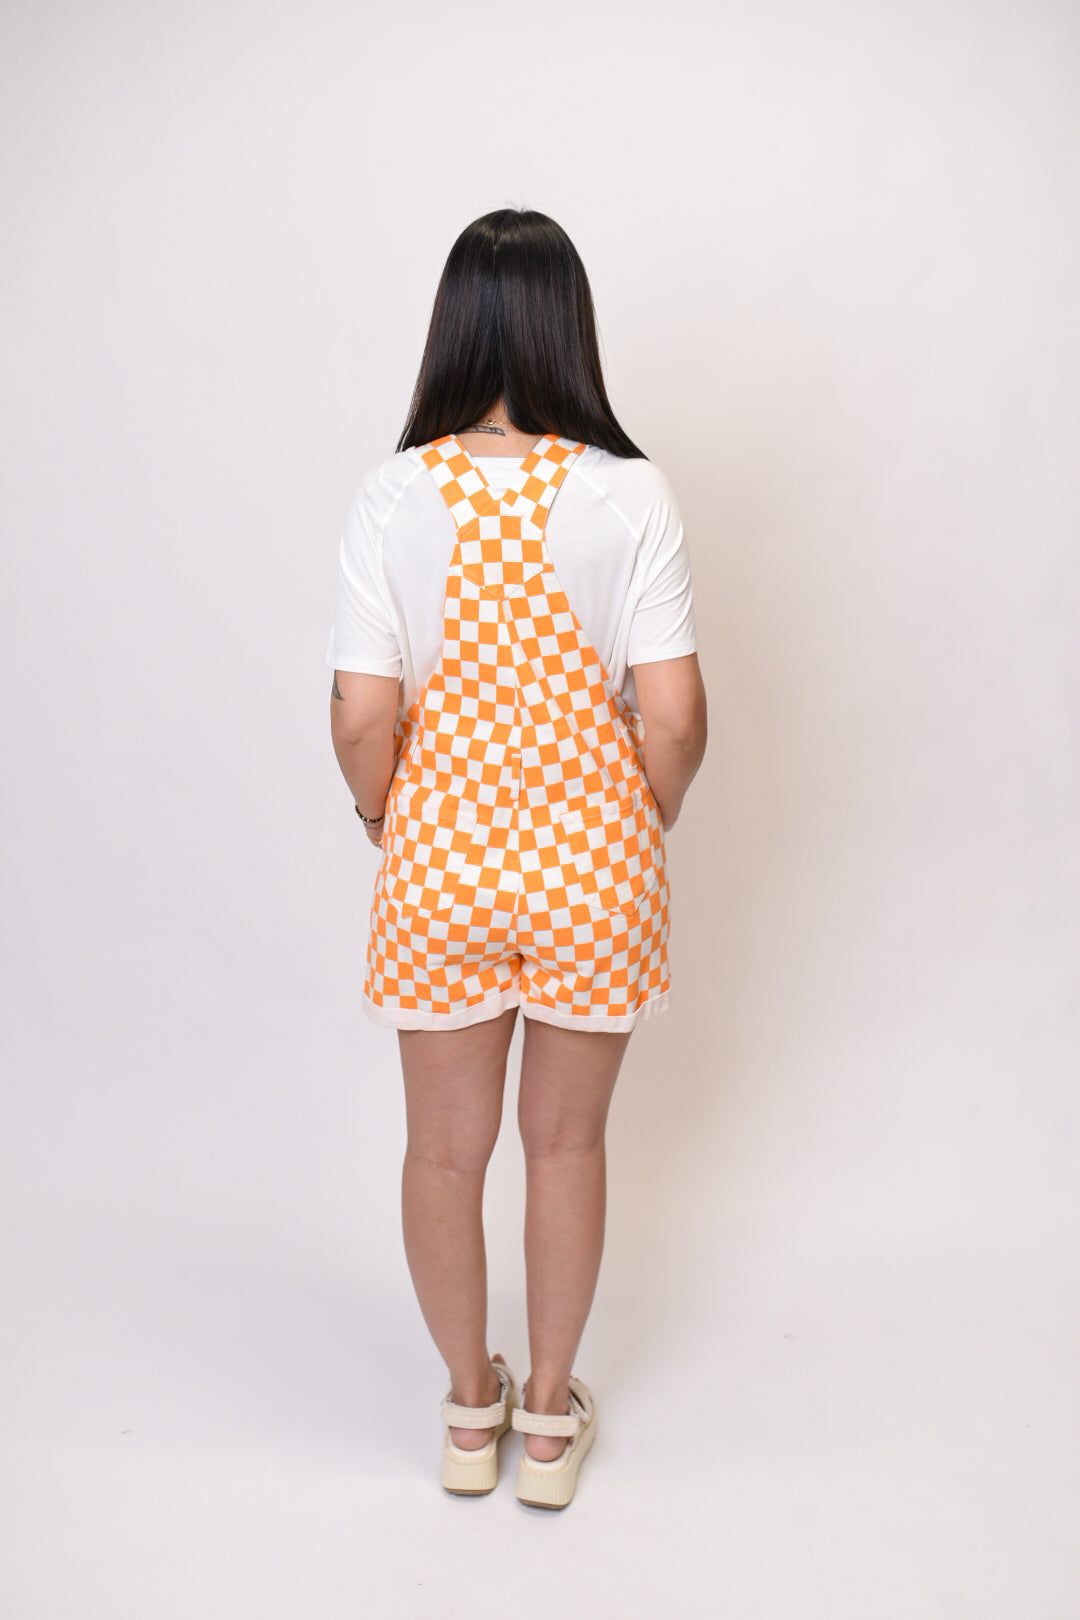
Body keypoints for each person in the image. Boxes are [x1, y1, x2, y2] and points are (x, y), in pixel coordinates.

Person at [327, 208, 706, 1509]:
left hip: (442, 863)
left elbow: (362, 715)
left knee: (442, 1151)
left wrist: (383, 817)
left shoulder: (393, 493)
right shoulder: (631, 492)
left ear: (453, 327)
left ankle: (466, 1412)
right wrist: (640, 821)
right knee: (566, 1147)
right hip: (594, 863)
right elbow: (675, 717)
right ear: (566, 327)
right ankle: (549, 1422)